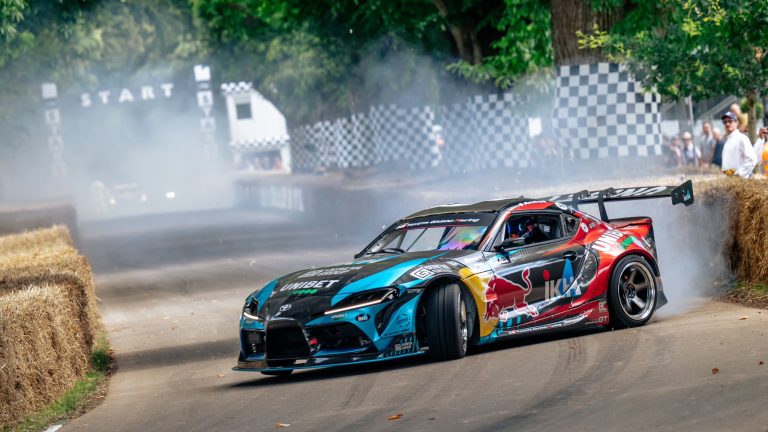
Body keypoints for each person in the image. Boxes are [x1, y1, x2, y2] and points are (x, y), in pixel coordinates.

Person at [720, 111, 757, 177]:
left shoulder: (742, 138)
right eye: (725, 122)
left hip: (740, 180)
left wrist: (739, 173)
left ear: (736, 123)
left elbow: (752, 159)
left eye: (730, 121)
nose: (727, 124)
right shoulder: (727, 142)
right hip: (729, 179)